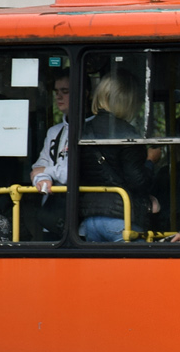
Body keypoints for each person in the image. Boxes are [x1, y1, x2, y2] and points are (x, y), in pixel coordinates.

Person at [78, 72, 155, 242]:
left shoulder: (83, 129)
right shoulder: (128, 133)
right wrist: (150, 161)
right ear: (128, 101)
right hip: (121, 219)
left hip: (89, 219)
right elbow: (137, 181)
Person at [29, 74, 71, 238]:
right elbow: (36, 168)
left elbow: (73, 174)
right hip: (53, 217)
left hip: (82, 222)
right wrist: (41, 180)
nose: (59, 96)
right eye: (56, 91)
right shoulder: (54, 132)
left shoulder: (93, 130)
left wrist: (46, 171)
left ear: (85, 92)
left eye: (65, 91)